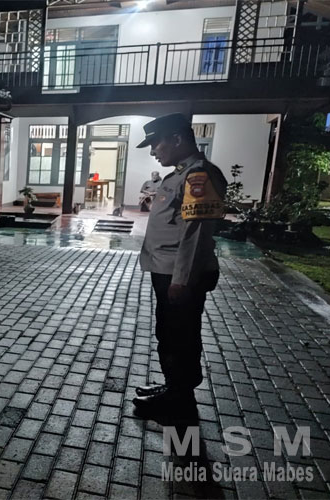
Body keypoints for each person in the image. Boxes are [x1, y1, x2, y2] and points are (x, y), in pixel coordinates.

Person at [133, 113, 227, 418]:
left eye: (156, 144)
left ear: (176, 139)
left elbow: (195, 232)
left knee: (180, 335)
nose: (153, 151)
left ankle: (179, 400)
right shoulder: (180, 175)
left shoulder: (198, 175)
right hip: (167, 270)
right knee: (169, 332)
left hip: (179, 274)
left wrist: (182, 279)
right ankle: (174, 386)